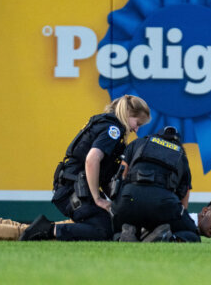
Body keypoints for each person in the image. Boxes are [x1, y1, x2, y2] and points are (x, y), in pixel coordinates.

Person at [25, 95, 150, 241]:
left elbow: (104, 173)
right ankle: (46, 230)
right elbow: (91, 160)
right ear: (127, 113)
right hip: (72, 191)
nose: (136, 129)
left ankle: (49, 229)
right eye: (137, 122)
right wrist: (98, 199)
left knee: (110, 224)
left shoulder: (105, 123)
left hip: (71, 186)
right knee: (103, 230)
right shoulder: (113, 130)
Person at [0, 198, 211, 241]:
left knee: (30, 229)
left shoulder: (177, 214)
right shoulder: (177, 214)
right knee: (32, 234)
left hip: (101, 215)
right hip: (102, 218)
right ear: (205, 210)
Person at [110, 126, 199, 242]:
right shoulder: (181, 155)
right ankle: (164, 237)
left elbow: (121, 174)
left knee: (115, 225)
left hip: (129, 199)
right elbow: (184, 195)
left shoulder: (138, 142)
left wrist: (118, 204)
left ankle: (123, 235)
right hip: (161, 204)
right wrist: (179, 221)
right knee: (193, 234)